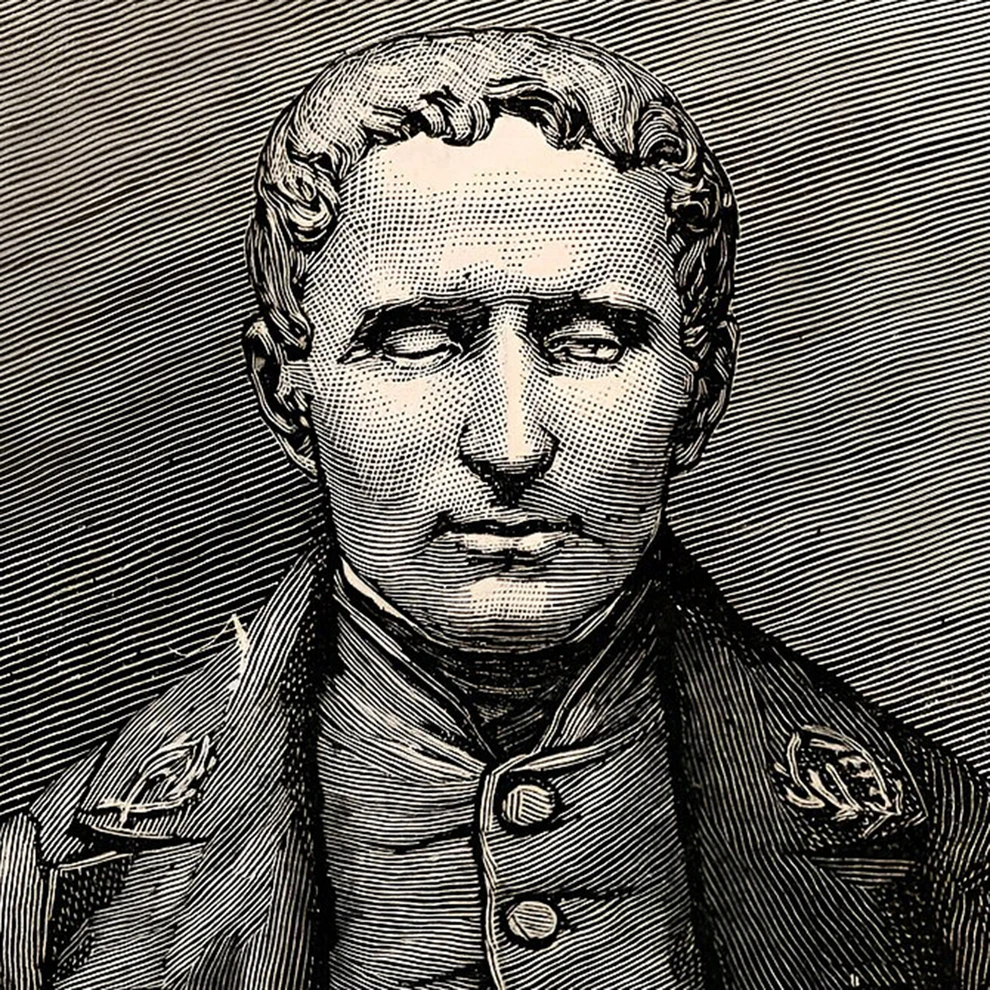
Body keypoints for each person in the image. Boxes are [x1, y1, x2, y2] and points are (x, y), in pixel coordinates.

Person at [2, 26, 988, 990]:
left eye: (592, 341)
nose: (511, 445)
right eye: (417, 340)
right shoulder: (43, 893)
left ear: (701, 394)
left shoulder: (951, 855)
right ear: (287, 395)